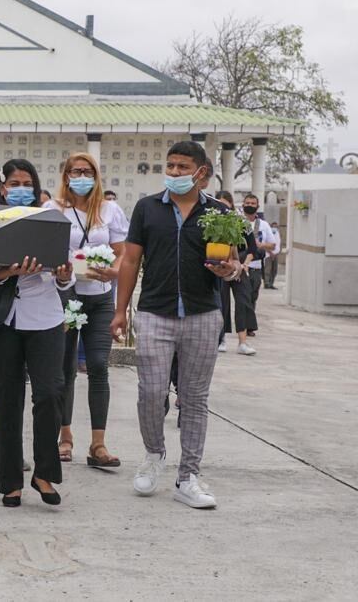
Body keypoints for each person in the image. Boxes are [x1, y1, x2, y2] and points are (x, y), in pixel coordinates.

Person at [111, 141, 240, 510]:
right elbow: (131, 261)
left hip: (202, 314)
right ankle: (154, 455)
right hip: (154, 313)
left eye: (184, 167)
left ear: (201, 172)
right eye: (171, 166)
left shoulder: (219, 213)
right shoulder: (147, 208)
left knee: (195, 398)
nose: (176, 173)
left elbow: (233, 264)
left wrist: (230, 269)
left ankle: (189, 476)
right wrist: (121, 311)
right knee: (150, 391)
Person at [0, 160, 74, 507]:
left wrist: (63, 274)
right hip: (3, 319)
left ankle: (44, 473)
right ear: (2, 186)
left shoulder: (51, 219)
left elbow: (66, 274)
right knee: (6, 398)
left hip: (44, 317)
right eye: (14, 182)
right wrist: (5, 272)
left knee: (49, 393)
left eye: (27, 182)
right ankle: (10, 481)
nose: (21, 188)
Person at [46, 153, 127, 468]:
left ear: (96, 175)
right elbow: (44, 251)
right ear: (65, 176)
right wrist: (61, 270)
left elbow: (122, 253)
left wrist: (115, 271)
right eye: (75, 171)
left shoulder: (110, 210)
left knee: (98, 366)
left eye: (87, 171)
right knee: (64, 369)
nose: (81, 176)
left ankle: (98, 444)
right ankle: (64, 438)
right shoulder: (53, 210)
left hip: (101, 297)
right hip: (67, 296)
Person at [211, 191, 258, 356]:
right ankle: (221, 339)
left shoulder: (240, 222)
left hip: (239, 268)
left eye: (225, 204)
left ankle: (243, 342)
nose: (222, 207)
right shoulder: (211, 221)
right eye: (219, 203)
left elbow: (253, 248)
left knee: (243, 301)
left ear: (231, 205)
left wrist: (244, 264)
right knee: (221, 303)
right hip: (220, 267)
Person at [242, 193, 275, 337]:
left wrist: (259, 245)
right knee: (242, 297)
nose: (249, 205)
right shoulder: (237, 221)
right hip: (241, 265)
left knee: (252, 296)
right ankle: (242, 324)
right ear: (243, 205)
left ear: (257, 206)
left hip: (255, 266)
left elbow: (272, 245)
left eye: (252, 203)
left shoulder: (264, 225)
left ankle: (249, 325)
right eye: (247, 203)